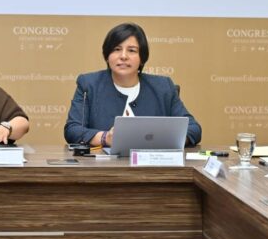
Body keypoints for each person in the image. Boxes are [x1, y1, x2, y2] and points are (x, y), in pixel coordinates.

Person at [64, 22, 202, 147]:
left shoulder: (163, 87)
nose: (123, 56)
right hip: (105, 164)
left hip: (154, 163)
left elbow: (194, 129)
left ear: (142, 58)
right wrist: (105, 138)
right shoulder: (89, 85)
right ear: (107, 55)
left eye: (132, 50)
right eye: (117, 49)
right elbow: (73, 130)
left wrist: (163, 139)